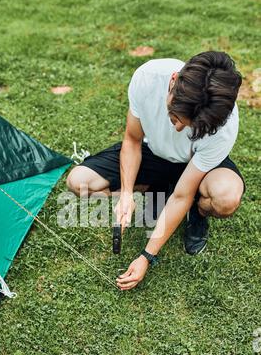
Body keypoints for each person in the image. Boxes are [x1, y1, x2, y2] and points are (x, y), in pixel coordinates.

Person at [66, 51, 245, 291]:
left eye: (189, 125)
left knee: (226, 197)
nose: (180, 128)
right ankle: (156, 189)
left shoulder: (222, 123)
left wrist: (146, 256)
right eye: (174, 117)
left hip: (195, 164)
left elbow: (181, 196)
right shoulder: (148, 77)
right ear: (173, 81)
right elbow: (132, 140)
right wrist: (127, 193)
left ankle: (197, 212)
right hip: (154, 153)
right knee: (79, 182)